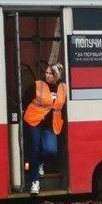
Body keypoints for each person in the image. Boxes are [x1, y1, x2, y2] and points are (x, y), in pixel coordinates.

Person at [23, 63, 67, 195]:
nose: (48, 76)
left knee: (51, 151)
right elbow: (24, 100)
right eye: (47, 73)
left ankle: (40, 162)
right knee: (35, 148)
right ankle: (35, 181)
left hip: (51, 124)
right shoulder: (37, 85)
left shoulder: (63, 87)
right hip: (33, 121)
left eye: (51, 74)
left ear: (58, 75)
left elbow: (63, 107)